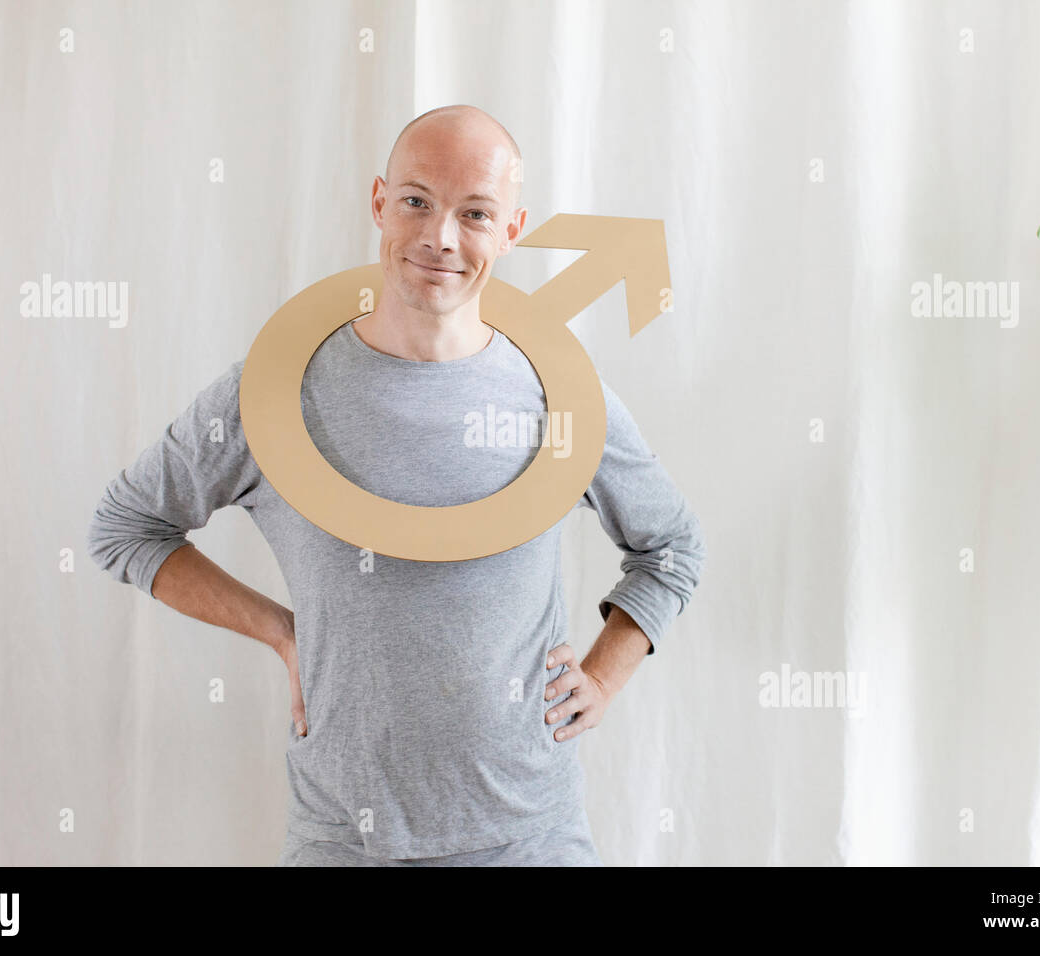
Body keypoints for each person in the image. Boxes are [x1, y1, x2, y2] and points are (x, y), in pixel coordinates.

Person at [85, 104, 705, 866]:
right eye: (417, 200)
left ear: (510, 231)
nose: (441, 237)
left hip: (531, 841)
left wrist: (606, 676)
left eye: (475, 213)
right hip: (345, 841)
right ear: (379, 202)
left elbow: (671, 547)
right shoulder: (273, 393)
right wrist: (284, 634)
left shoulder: (564, 397)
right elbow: (125, 526)